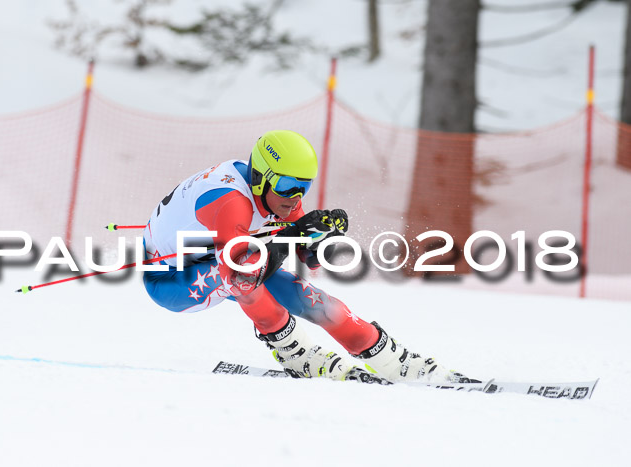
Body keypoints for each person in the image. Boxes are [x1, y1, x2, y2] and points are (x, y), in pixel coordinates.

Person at [142, 130, 472, 383]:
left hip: (213, 260)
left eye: (304, 186)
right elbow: (244, 271)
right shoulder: (230, 202)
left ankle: (389, 358)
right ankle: (295, 351)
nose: (295, 196)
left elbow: (306, 260)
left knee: (314, 299)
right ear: (260, 179)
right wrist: (289, 236)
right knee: (243, 279)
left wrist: (318, 236)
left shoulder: (277, 194)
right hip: (172, 281)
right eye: (287, 185)